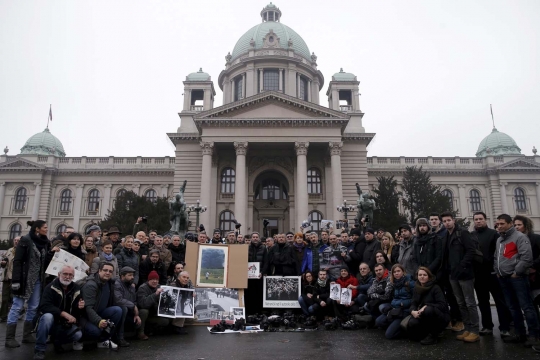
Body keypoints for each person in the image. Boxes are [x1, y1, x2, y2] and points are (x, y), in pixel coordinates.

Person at [5, 220, 52, 348]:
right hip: (23, 279)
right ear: (37, 229)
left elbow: (45, 262)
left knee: (33, 306)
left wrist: (52, 253)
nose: (47, 229)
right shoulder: (25, 240)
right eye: (45, 227)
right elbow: (18, 261)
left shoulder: (45, 243)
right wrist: (16, 281)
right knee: (17, 306)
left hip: (37, 280)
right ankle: (9, 337)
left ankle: (26, 335)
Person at [494, 214, 539, 348]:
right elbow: (497, 257)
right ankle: (520, 334)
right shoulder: (500, 240)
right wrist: (497, 271)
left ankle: (534, 336)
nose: (499, 226)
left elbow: (526, 258)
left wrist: (516, 273)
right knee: (513, 308)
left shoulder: (520, 237)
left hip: (517, 278)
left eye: (502, 223)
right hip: (503, 278)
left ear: (510, 224)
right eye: (498, 224)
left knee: (527, 307)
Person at [471, 211, 512, 337]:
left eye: (480, 219)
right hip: (478, 275)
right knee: (483, 302)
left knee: (500, 302)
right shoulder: (471, 235)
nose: (478, 221)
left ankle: (504, 327)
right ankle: (487, 326)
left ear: (485, 219)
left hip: (492, 274)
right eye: (476, 219)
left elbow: (498, 253)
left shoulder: (494, 234)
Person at [441, 211, 480, 343]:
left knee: (470, 303)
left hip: (464, 274)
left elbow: (471, 251)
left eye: (448, 220)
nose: (447, 223)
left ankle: (475, 330)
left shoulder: (462, 232)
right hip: (452, 275)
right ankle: (467, 329)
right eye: (444, 221)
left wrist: (462, 266)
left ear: (453, 220)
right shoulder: (446, 234)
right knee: (461, 303)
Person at [33, 265, 85, 359]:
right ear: (59, 274)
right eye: (65, 274)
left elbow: (78, 312)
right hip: (51, 321)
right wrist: (63, 313)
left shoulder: (76, 288)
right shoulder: (50, 287)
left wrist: (80, 307)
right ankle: (39, 349)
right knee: (47, 317)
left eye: (70, 275)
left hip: (64, 323)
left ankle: (57, 341)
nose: (67, 277)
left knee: (78, 335)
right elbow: (44, 306)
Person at [81, 262, 124, 349]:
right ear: (99, 271)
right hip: (85, 317)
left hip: (100, 312)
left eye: (110, 271)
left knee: (118, 310)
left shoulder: (109, 283)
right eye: (105, 270)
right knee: (95, 331)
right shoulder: (91, 285)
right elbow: (88, 309)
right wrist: (99, 321)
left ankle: (103, 340)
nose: (108, 273)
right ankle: (79, 340)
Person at [407, 267, 450, 345]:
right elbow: (413, 303)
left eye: (424, 275)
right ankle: (426, 333)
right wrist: (413, 311)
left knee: (428, 310)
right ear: (417, 276)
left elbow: (442, 305)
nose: (422, 276)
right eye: (420, 275)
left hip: (438, 315)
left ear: (429, 277)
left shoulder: (435, 287)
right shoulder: (416, 287)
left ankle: (434, 335)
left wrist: (426, 306)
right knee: (412, 324)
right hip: (422, 314)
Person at [375, 264, 415, 339]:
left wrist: (402, 303)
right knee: (378, 321)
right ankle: (393, 326)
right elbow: (393, 298)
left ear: (403, 272)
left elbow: (415, 299)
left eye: (398, 271)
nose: (396, 273)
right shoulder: (394, 283)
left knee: (389, 335)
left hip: (404, 310)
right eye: (394, 272)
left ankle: (406, 332)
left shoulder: (410, 283)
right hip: (395, 309)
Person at [136, 270, 170, 338]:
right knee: (144, 311)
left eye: (156, 279)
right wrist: (156, 294)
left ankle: (150, 329)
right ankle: (140, 332)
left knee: (165, 321)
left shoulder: (160, 287)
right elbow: (143, 304)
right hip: (142, 314)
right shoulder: (142, 288)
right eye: (152, 279)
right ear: (148, 280)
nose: (155, 281)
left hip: (153, 313)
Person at [114, 266, 142, 343]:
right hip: (119, 311)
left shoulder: (131, 287)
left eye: (132, 275)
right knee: (123, 309)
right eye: (129, 275)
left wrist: (136, 314)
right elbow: (118, 300)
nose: (132, 277)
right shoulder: (117, 284)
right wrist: (133, 306)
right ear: (122, 276)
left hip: (130, 311)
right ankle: (120, 337)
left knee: (137, 323)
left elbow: (134, 300)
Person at [245, 232, 268, 315]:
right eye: (253, 237)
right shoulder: (246, 248)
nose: (255, 238)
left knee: (259, 294)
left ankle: (258, 312)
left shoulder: (263, 248)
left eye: (256, 237)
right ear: (251, 238)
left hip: (259, 275)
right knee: (249, 294)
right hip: (248, 276)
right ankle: (249, 312)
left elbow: (266, 262)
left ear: (259, 238)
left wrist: (262, 272)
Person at [0, 236, 19, 323]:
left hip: (16, 278)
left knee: (14, 298)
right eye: (15, 240)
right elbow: (5, 263)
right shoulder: (9, 250)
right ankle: (3, 316)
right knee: (4, 298)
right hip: (7, 278)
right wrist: (3, 263)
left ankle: (15, 315)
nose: (16, 242)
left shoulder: (23, 251)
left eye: (18, 240)